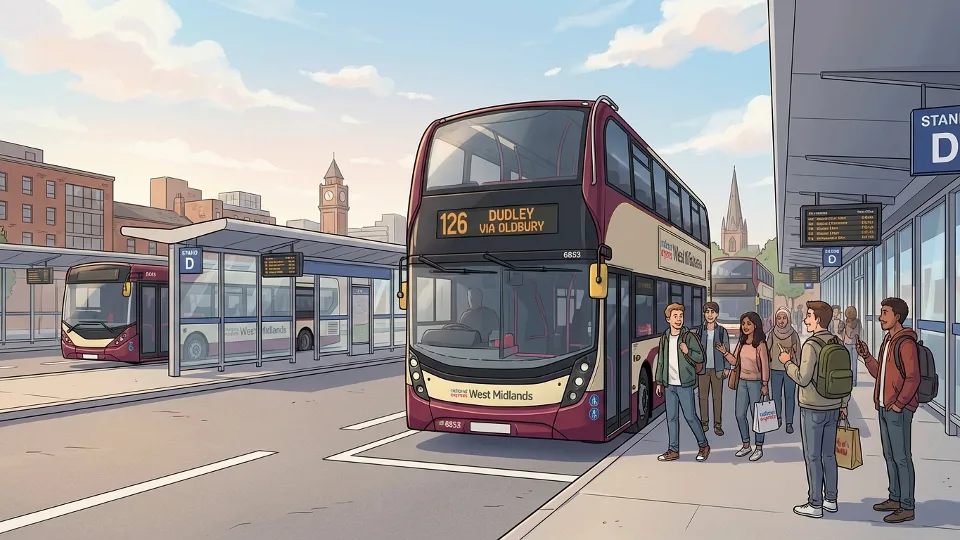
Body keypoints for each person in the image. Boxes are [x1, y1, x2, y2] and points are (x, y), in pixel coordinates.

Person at [777, 300, 849, 519]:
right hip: (834, 406)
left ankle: (815, 503)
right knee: (829, 455)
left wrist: (787, 362)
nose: (806, 319)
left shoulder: (811, 344)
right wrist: (844, 404)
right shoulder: (837, 341)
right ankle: (831, 500)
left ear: (817, 319)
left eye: (808, 315)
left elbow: (803, 378)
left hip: (813, 407)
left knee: (812, 456)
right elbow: (845, 376)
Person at [855, 297, 920, 524]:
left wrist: (899, 403)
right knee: (890, 455)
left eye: (884, 313)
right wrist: (866, 356)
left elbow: (913, 378)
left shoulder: (905, 343)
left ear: (897, 317)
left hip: (897, 410)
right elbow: (879, 373)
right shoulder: (888, 341)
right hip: (884, 407)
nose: (881, 317)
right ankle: (895, 497)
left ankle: (907, 506)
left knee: (902, 457)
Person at [655, 303, 710, 462]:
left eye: (680, 316)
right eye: (675, 316)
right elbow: (661, 362)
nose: (679, 319)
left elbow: (701, 358)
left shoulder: (688, 337)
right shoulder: (665, 337)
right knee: (671, 418)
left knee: (690, 417)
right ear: (668, 319)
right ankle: (673, 450)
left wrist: (688, 351)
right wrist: (659, 382)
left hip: (685, 384)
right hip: (669, 385)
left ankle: (703, 445)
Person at [717, 311, 770, 461]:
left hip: (756, 384)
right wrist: (725, 352)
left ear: (755, 325)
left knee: (757, 417)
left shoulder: (760, 345)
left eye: (748, 323)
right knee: (740, 415)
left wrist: (765, 384)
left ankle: (758, 447)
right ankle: (746, 445)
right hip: (742, 382)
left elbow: (765, 366)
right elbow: (734, 362)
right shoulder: (741, 343)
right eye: (743, 323)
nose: (745, 326)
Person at [695, 302, 729, 436]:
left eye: (712, 312)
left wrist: (727, 367)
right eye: (707, 311)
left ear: (717, 314)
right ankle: (704, 423)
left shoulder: (721, 331)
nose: (710, 315)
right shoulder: (699, 331)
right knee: (702, 397)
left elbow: (726, 350)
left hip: (717, 369)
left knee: (717, 397)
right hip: (703, 370)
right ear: (704, 314)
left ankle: (717, 425)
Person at [766, 307, 800, 434]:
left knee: (790, 397)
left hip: (790, 370)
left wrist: (798, 368)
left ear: (788, 319)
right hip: (774, 369)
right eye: (778, 318)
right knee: (776, 397)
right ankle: (778, 418)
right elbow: (766, 349)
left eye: (784, 318)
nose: (781, 321)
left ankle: (789, 423)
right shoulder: (772, 333)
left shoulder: (793, 334)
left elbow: (798, 352)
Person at [842, 306, 862, 387]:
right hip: (855, 343)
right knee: (854, 363)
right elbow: (860, 331)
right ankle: (854, 381)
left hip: (847, 343)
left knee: (848, 363)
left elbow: (842, 332)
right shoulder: (858, 322)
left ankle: (848, 380)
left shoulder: (845, 322)